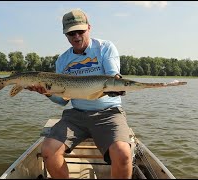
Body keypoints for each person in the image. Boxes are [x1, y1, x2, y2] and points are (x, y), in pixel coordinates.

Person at [26, 9, 132, 179]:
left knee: (123, 153)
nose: (76, 37)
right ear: (65, 34)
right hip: (76, 116)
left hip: (108, 113)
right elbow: (62, 101)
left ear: (89, 28)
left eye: (80, 31)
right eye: (71, 33)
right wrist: (46, 93)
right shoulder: (62, 60)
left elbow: (113, 78)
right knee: (48, 151)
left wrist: (117, 86)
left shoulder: (105, 48)